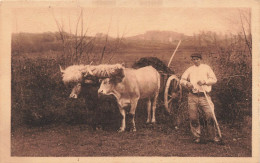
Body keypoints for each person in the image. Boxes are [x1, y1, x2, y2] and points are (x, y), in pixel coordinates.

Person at [180, 53, 221, 144]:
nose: (195, 61)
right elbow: (181, 80)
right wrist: (187, 83)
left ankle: (214, 136)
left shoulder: (206, 68)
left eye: (197, 59)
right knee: (193, 117)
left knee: (210, 115)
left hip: (204, 96)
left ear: (200, 59)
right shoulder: (190, 69)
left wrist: (205, 81)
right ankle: (197, 137)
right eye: (193, 59)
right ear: (192, 60)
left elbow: (214, 79)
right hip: (193, 96)